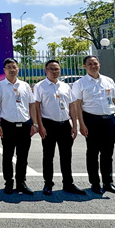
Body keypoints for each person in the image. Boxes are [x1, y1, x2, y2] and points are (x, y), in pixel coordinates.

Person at [72, 55, 115, 195]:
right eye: (90, 64)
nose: (93, 66)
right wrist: (81, 124)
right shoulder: (80, 83)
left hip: (109, 120)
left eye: (95, 63)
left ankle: (108, 183)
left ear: (99, 64)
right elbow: (77, 105)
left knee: (108, 153)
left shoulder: (108, 81)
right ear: (84, 66)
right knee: (93, 153)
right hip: (91, 120)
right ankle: (95, 183)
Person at [34, 60, 86, 196]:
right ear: (46, 70)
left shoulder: (65, 86)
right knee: (48, 156)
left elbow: (72, 106)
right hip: (48, 124)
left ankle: (68, 183)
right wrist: (40, 126)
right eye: (51, 69)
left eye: (57, 69)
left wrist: (74, 125)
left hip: (65, 125)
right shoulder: (40, 86)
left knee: (66, 156)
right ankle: (48, 183)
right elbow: (37, 107)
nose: (55, 71)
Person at [0, 58, 38, 195]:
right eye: (9, 67)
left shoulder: (25, 85)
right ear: (4, 70)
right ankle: (8, 182)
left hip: (25, 124)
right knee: (7, 156)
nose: (12, 70)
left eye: (14, 67)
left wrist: (34, 123)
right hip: (8, 125)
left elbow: (32, 105)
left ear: (18, 69)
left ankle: (21, 183)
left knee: (23, 156)